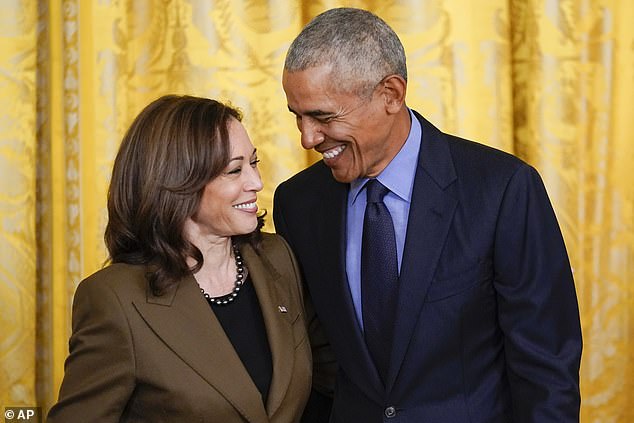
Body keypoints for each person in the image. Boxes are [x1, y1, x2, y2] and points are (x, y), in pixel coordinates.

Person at [273, 7, 582, 423]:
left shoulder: (502, 189)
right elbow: (312, 358)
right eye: (298, 116)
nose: (308, 138)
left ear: (391, 94)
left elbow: (546, 370)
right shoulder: (298, 202)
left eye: (323, 117)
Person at [47, 95, 315, 423]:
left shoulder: (277, 257)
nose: (256, 182)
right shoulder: (115, 299)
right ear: (178, 183)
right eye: (235, 170)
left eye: (254, 163)